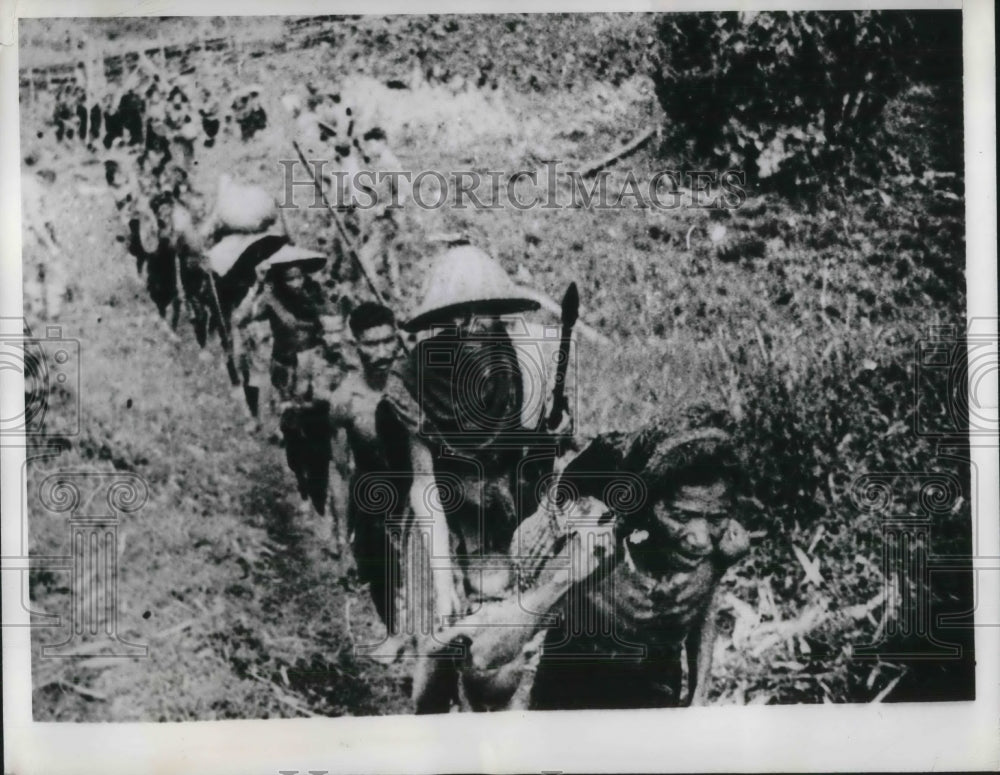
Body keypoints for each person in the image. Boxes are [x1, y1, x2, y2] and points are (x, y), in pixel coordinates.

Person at [414, 409, 752, 713]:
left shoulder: (723, 544)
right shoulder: (598, 549)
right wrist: (567, 577)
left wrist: (698, 696)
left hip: (653, 699)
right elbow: (486, 656)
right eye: (680, 515)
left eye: (716, 517)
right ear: (648, 506)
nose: (700, 539)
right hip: (570, 698)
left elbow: (700, 604)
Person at [375, 244, 573, 657]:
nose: (470, 325)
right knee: (437, 644)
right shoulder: (414, 374)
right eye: (458, 314)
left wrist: (553, 436)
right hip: (444, 513)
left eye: (482, 311)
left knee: (529, 634)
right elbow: (424, 482)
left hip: (512, 508)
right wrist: (443, 580)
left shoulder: (527, 357)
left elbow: (543, 458)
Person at [305, 302, 403, 624]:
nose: (382, 352)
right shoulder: (345, 399)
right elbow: (340, 473)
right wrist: (344, 543)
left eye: (388, 340)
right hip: (373, 505)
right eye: (371, 344)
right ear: (355, 345)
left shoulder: (414, 384)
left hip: (418, 498)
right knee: (383, 589)